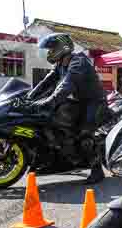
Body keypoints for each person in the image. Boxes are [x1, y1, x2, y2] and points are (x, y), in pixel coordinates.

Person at [26, 33, 108, 184]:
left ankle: (97, 171)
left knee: (84, 134)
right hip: (78, 102)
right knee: (53, 124)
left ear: (61, 48)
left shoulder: (78, 62)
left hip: (94, 103)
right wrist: (29, 97)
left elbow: (66, 85)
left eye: (51, 49)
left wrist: (49, 101)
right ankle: (60, 161)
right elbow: (46, 82)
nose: (49, 52)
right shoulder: (59, 64)